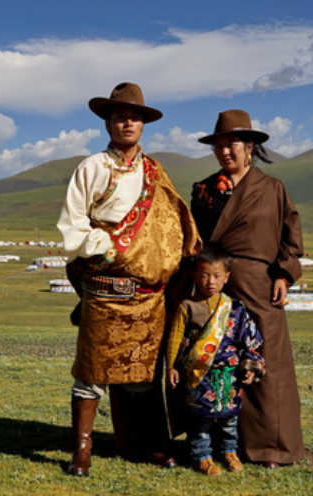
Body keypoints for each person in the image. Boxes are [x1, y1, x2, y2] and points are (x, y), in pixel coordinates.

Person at [57, 82, 201, 477]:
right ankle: (81, 451)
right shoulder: (91, 168)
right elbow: (73, 225)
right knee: (90, 373)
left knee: (143, 376)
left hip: (148, 296)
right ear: (108, 122)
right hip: (104, 290)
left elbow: (175, 223)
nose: (127, 123)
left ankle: (147, 445)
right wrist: (112, 247)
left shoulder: (155, 172)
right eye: (120, 116)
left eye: (134, 117)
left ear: (143, 124)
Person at [190, 109, 304, 468]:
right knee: (213, 362)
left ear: (250, 147)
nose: (226, 152)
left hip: (259, 285)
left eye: (233, 144)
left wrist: (284, 275)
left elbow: (291, 237)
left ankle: (271, 447)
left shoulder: (273, 188)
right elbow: (194, 239)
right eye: (219, 145)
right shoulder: (205, 191)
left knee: (267, 363)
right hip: (215, 284)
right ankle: (213, 445)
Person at [166, 246, 266, 476]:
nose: (210, 281)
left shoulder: (235, 308)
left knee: (229, 419)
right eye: (204, 274)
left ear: (226, 277)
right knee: (200, 420)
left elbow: (248, 341)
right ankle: (202, 456)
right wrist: (171, 366)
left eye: (217, 276)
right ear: (194, 275)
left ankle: (229, 452)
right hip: (198, 375)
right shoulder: (187, 306)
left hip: (229, 374)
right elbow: (174, 339)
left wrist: (250, 366)